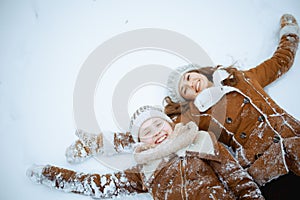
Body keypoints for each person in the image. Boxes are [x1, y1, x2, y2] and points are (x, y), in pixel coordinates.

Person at [163, 14, 300, 199]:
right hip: (268, 167)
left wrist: (289, 34)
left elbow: (279, 61)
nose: (190, 84)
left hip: (294, 140)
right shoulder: (199, 114)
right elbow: (163, 129)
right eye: (184, 90)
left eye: (188, 77)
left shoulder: (242, 78)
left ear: (198, 71)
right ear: (187, 100)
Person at [27, 106, 264, 200]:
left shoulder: (200, 140)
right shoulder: (146, 169)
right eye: (147, 132)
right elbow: (101, 185)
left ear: (170, 124)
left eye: (159, 124)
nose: (156, 132)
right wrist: (54, 175)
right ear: (142, 142)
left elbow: (240, 181)